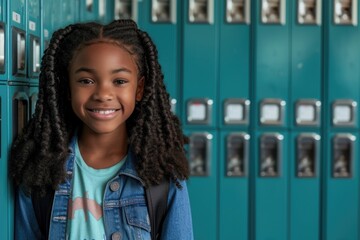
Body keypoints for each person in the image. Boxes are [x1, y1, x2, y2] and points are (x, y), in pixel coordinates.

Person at [10, 19, 193, 240]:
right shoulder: (41, 168)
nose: (103, 94)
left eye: (119, 81)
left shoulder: (163, 172)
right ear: (68, 87)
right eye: (86, 81)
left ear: (140, 88)